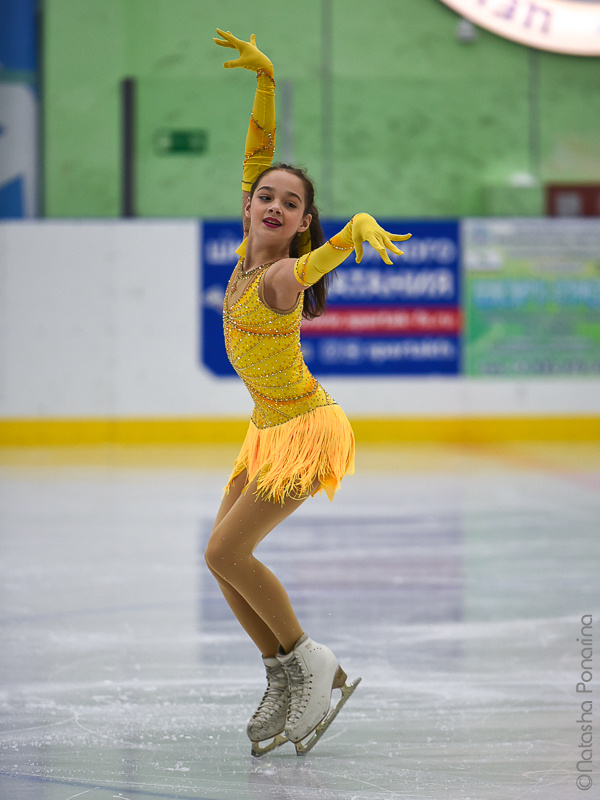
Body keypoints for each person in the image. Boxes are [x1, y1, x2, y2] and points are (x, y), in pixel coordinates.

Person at [204, 29, 411, 756]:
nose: (272, 205)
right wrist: (265, 80)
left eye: (290, 204)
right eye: (265, 197)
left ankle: (308, 658)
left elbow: (312, 265)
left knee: (227, 554)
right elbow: (257, 156)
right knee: (220, 559)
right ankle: (283, 674)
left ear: (301, 223)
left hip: (306, 430)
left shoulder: (278, 277)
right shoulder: (244, 251)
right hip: (265, 428)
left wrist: (348, 236)